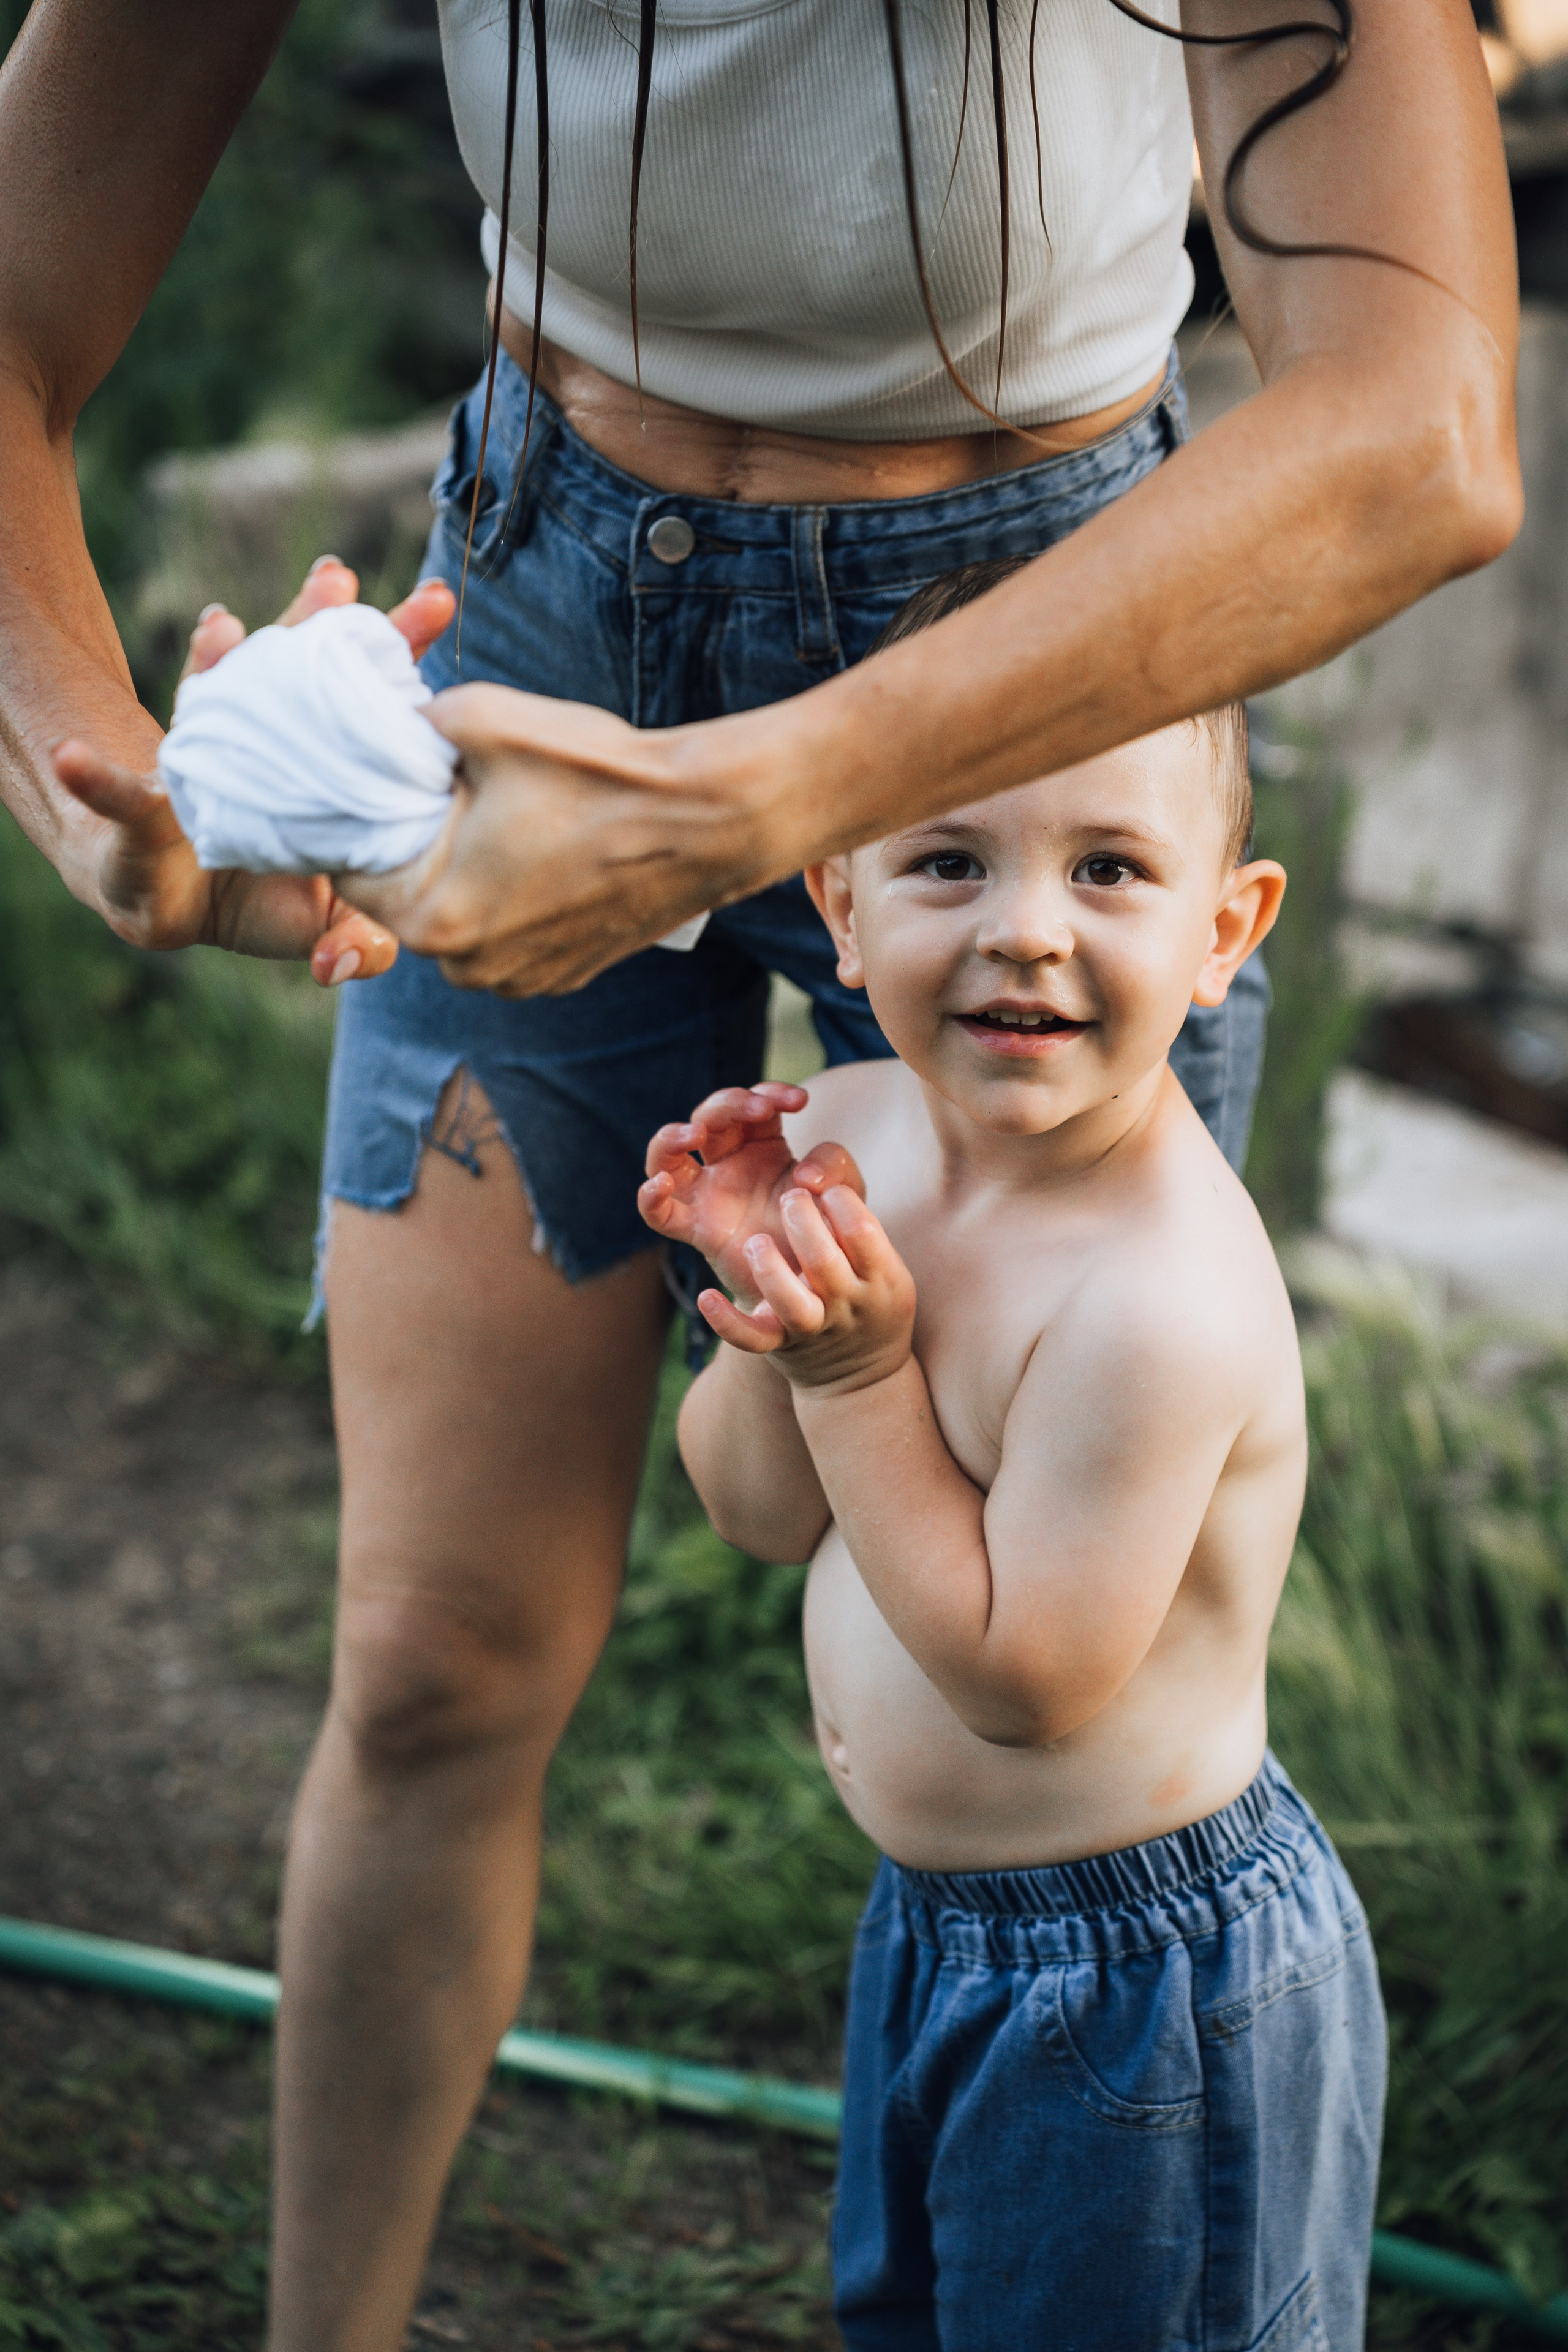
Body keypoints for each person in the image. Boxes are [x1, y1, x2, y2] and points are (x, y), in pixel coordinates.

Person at [0, 3, 1513, 2342]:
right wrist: (99, 770)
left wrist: (766, 801)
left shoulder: (1085, 995)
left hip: (1048, 658)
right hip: (541, 577)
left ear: (1229, 920)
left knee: (1084, 1742)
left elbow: (1426, 419)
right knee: (429, 1661)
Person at [641, 567, 1379, 2352]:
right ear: (841, 901)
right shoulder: (856, 1132)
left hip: (1145, 1990)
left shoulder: (1156, 1297)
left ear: (1225, 928)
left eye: (1109, 868)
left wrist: (859, 1371)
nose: (1027, 929)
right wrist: (768, 1298)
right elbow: (756, 1513)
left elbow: (1024, 1682)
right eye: (949, 861)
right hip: (936, 1930)